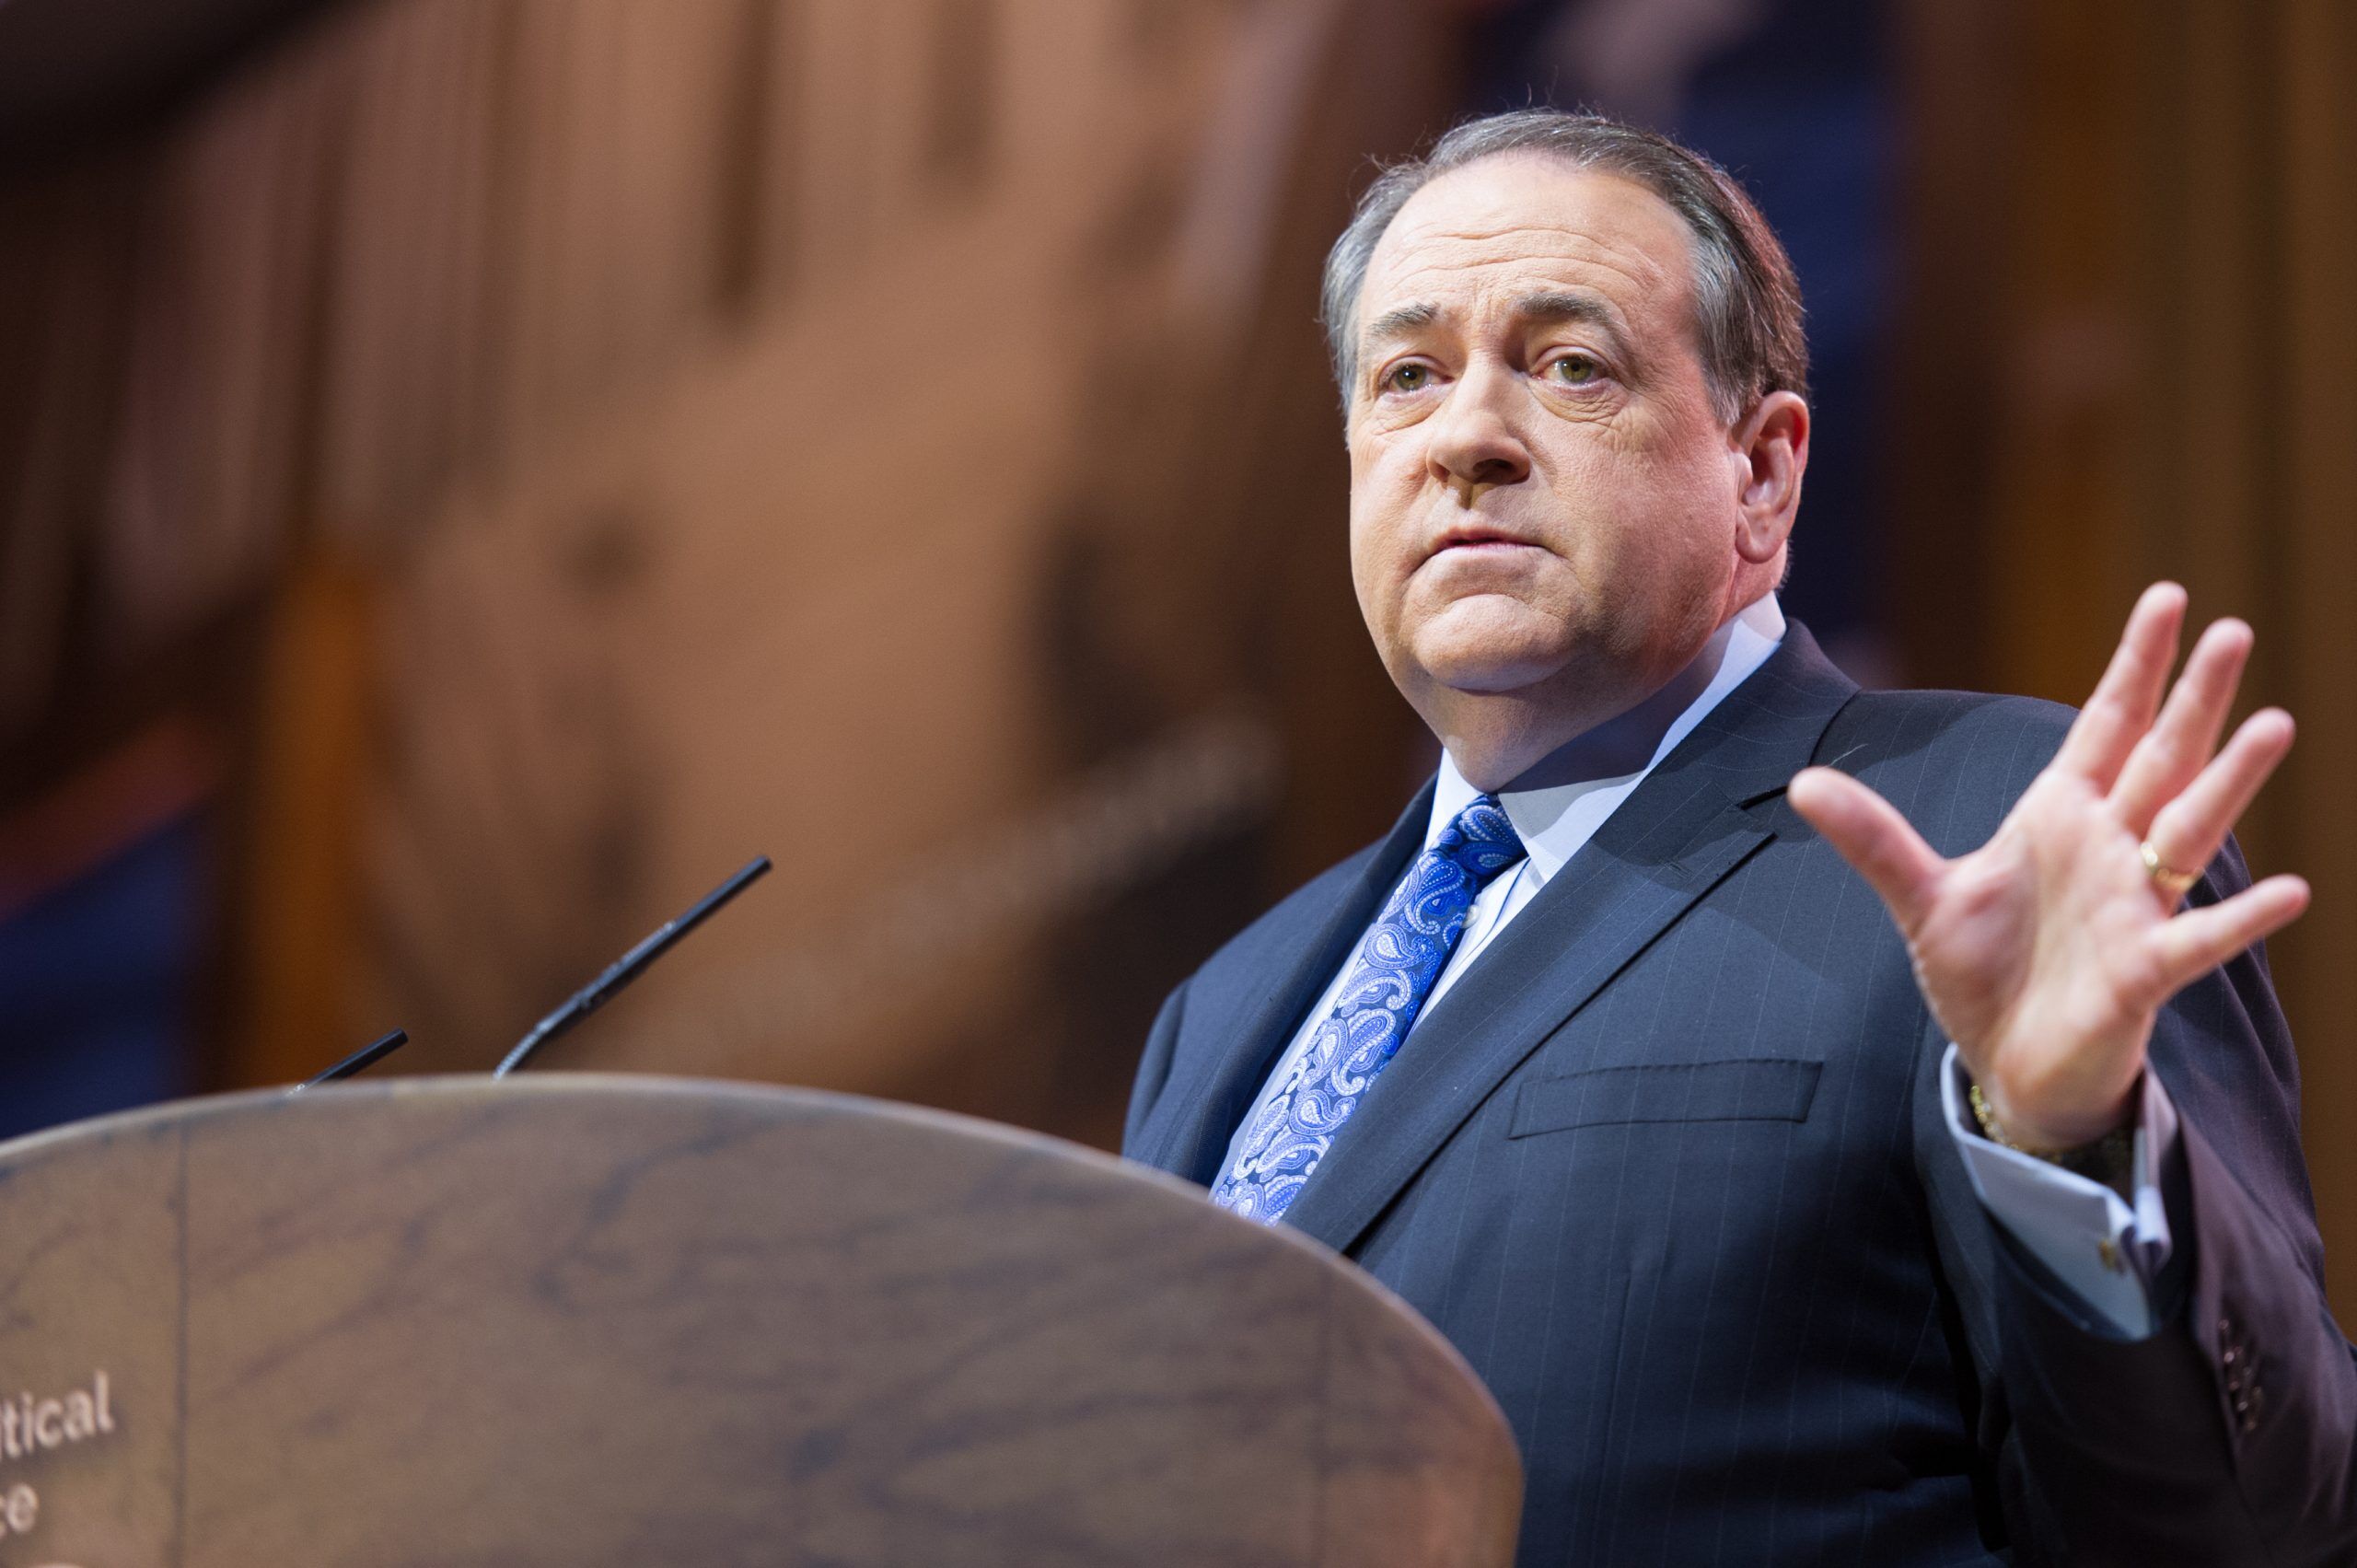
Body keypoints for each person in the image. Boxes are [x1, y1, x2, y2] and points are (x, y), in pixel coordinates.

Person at [1122, 110, 2356, 1566]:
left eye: (1568, 364)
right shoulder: (1221, 1013)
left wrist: (2070, 1142)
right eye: (1407, 379)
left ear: (1763, 474)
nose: (1463, 437)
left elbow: (2266, 1525)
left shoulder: (1995, 831)